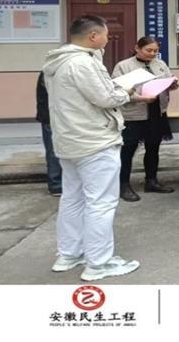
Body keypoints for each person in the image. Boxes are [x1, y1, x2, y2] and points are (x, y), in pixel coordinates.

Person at [42, 14, 150, 281]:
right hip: (94, 140)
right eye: (105, 34)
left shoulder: (58, 61)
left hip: (70, 140)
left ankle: (69, 254)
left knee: (73, 198)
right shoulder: (83, 62)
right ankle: (99, 264)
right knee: (100, 203)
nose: (107, 39)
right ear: (93, 36)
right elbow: (105, 97)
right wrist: (127, 92)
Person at [112, 36, 177, 202]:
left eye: (155, 51)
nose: (152, 54)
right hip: (134, 114)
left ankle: (151, 180)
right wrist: (140, 98)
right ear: (137, 48)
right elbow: (117, 91)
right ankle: (123, 184)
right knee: (128, 150)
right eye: (149, 50)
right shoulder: (124, 66)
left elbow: (167, 80)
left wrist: (172, 84)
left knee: (153, 147)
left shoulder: (160, 64)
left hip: (156, 111)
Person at [36, 71, 62, 196]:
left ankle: (57, 184)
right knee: (54, 151)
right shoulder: (51, 72)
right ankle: (56, 184)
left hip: (53, 116)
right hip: (52, 117)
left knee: (54, 151)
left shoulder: (50, 70)